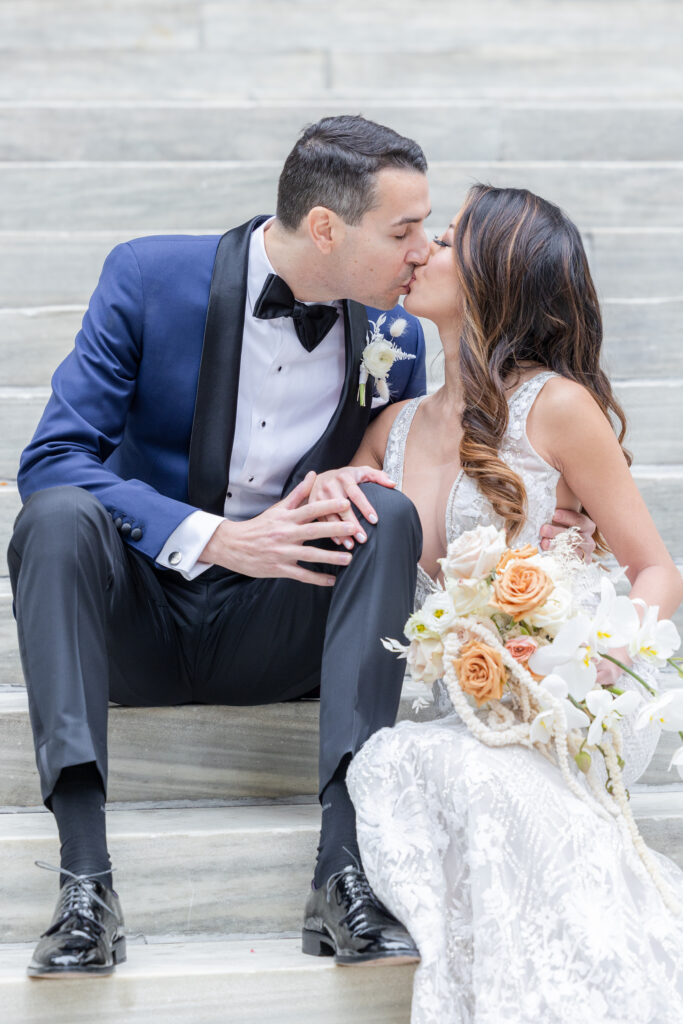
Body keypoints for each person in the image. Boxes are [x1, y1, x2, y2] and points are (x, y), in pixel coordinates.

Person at [8, 115, 594, 979]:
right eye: (401, 232)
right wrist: (217, 538)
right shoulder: (148, 277)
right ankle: (86, 880)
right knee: (55, 515)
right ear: (327, 228)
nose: (421, 249)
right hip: (136, 625)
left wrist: (542, 541)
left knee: (382, 513)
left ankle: (344, 872)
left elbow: (409, 496)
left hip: (279, 631)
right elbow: (52, 456)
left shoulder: (392, 341)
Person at [318, 185, 683, 1020]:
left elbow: (654, 570)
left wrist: (585, 669)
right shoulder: (395, 426)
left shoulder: (555, 406)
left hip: (548, 705)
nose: (419, 252)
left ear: (493, 274)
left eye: (444, 241)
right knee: (406, 760)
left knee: (470, 777)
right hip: (431, 702)